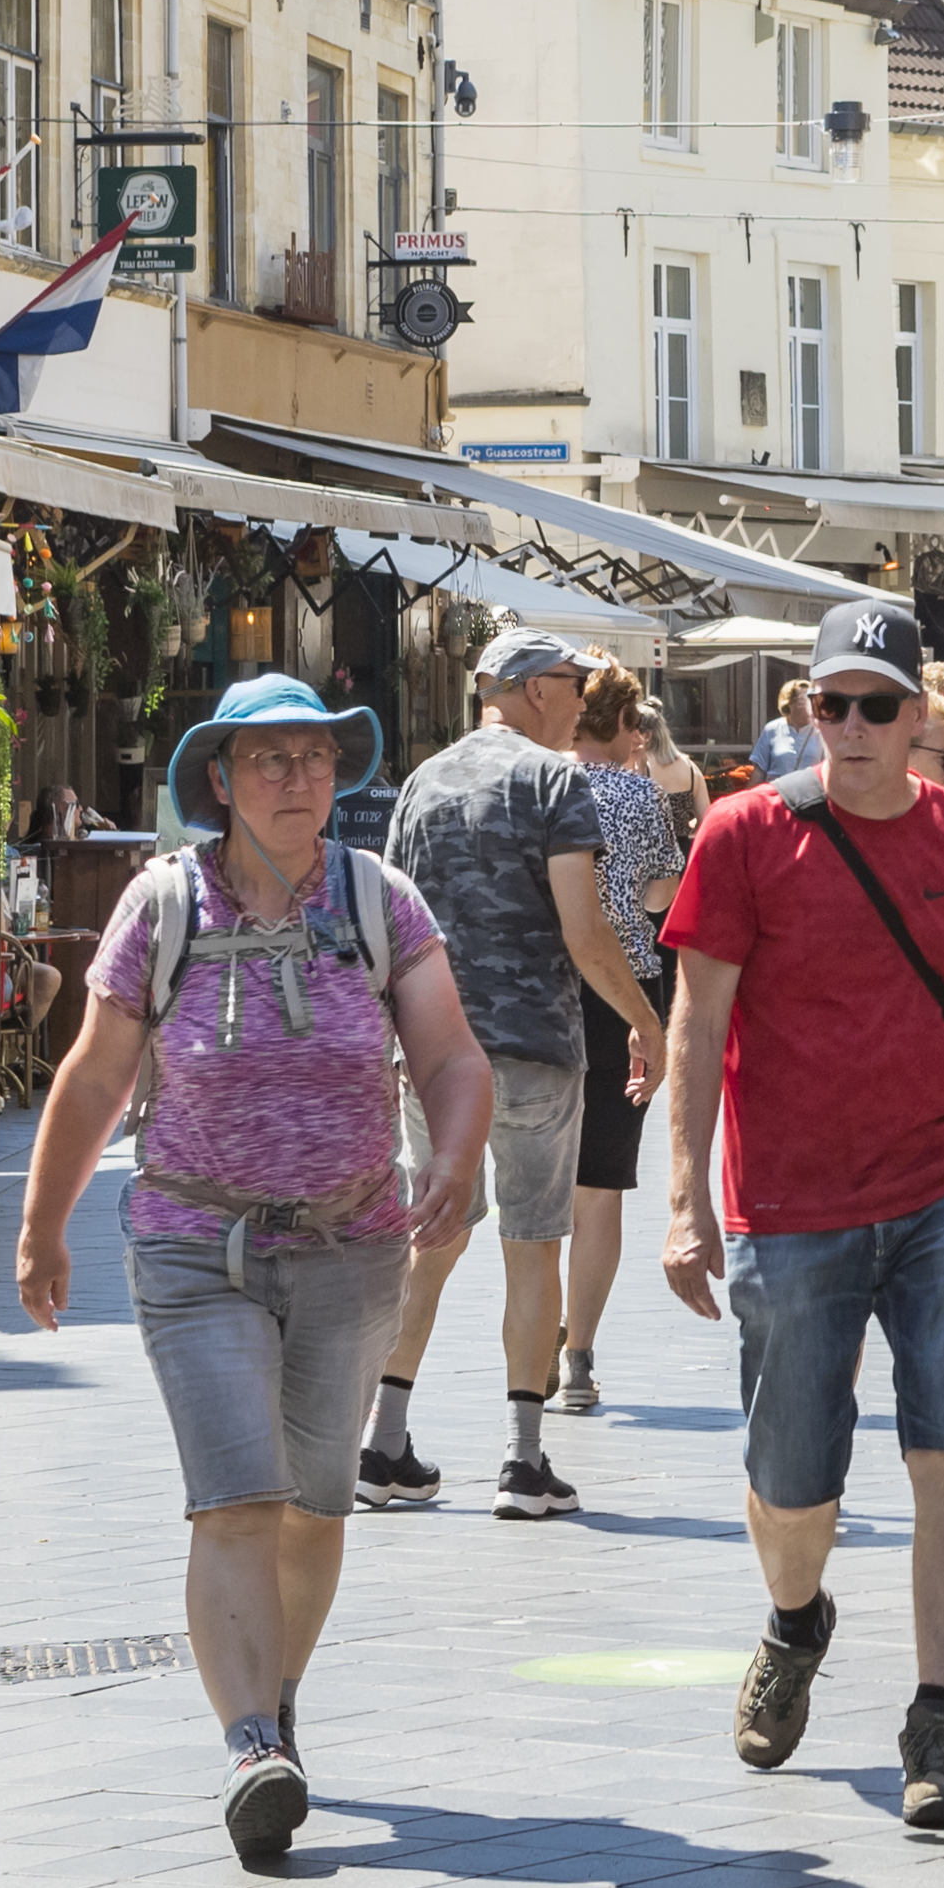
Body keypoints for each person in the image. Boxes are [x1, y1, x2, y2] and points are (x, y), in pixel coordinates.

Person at [15, 668, 491, 1866]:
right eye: (269, 761)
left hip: (350, 1245)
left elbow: (451, 1055)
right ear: (219, 781)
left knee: (317, 1507)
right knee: (239, 1500)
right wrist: (44, 1223)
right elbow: (94, 1074)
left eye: (317, 758)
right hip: (194, 1243)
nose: (297, 780)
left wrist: (458, 1150)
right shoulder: (163, 906)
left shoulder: (379, 899)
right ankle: (249, 1746)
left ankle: (274, 1702)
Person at [661, 594, 944, 1835]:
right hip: (789, 1205)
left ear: (918, 720)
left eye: (874, 706)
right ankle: (797, 1619)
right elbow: (699, 1023)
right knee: (793, 1484)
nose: (847, 726)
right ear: (804, 713)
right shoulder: (741, 838)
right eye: (827, 703)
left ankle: (937, 1719)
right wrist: (686, 1198)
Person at [368, 626, 630, 1521]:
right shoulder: (556, 780)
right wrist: (649, 1022)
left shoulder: (419, 782)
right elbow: (587, 933)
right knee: (533, 1243)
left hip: (432, 1053)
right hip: (533, 1048)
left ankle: (382, 1441)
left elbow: (391, 927)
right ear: (530, 688)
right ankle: (522, 1463)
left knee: (430, 1240)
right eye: (571, 680)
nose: (582, 698)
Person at [555, 656, 691, 1415]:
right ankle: (578, 1358)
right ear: (625, 726)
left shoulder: (544, 789)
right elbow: (663, 893)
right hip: (626, 997)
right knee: (600, 1185)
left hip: (548, 993)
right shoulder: (640, 796)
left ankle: (535, 1339)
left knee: (542, 1184)